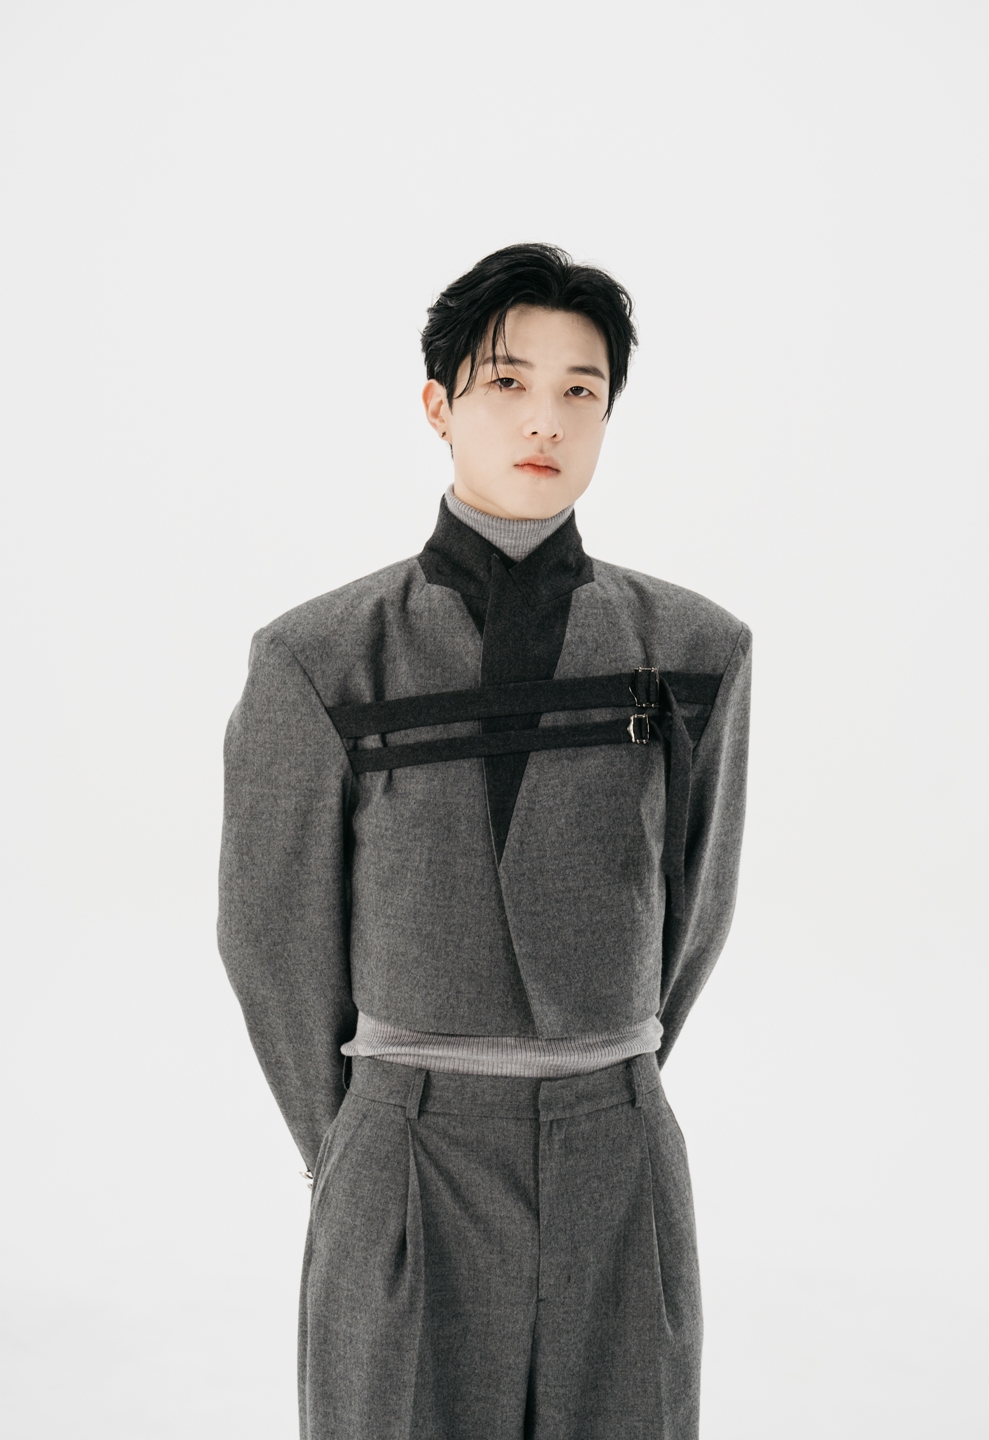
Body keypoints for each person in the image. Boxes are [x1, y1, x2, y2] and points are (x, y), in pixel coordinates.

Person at [218, 243, 752, 1440]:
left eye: (579, 389)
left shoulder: (695, 651)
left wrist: (608, 1069)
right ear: (437, 406)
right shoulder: (317, 658)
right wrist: (359, 1136)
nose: (544, 419)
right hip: (401, 1144)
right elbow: (268, 937)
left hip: (617, 1141)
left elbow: (694, 909)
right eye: (507, 383)